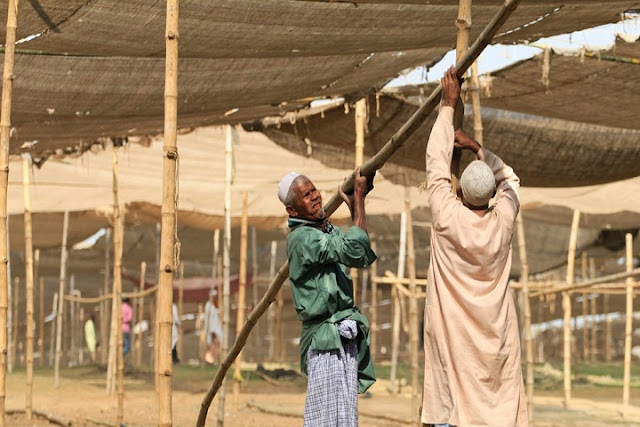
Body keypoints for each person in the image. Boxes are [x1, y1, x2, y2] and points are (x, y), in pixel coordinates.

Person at [421, 66, 528, 427]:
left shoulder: (447, 216)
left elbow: (436, 161)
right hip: (493, 338)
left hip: (455, 339)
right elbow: (510, 180)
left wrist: (447, 106)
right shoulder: (502, 223)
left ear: (461, 192)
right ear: (491, 196)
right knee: (494, 405)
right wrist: (478, 148)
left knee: (452, 401)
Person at [280, 168, 377, 427]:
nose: (315, 197)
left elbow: (360, 255)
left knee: (343, 417)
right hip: (326, 340)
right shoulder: (304, 239)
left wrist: (355, 204)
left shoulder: (322, 229)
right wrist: (358, 198)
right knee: (327, 420)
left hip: (339, 336)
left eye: (313, 190)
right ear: (292, 210)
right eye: (305, 195)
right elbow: (354, 250)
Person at [203, 290, 223, 364]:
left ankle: (214, 359)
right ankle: (209, 360)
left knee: (216, 344)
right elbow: (209, 320)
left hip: (216, 327)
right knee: (211, 344)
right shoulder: (208, 306)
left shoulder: (215, 304)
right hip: (212, 328)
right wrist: (212, 330)